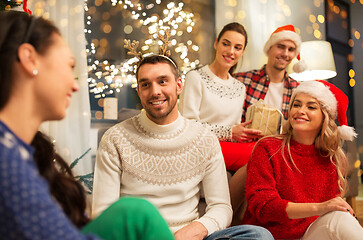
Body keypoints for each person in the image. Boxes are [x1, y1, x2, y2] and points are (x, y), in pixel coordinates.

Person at [0, 10, 173, 240]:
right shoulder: (7, 161)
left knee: (134, 213)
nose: (75, 85)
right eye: (68, 67)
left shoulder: (19, 150)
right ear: (30, 59)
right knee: (139, 213)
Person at [91, 54, 274, 240]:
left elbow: (221, 207)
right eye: (145, 84)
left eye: (163, 81)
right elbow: (103, 214)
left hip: (189, 237)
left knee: (259, 235)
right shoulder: (115, 139)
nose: (155, 91)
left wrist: (200, 227)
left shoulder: (204, 139)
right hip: (140, 237)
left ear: (179, 85)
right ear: (138, 90)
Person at [243, 80, 363, 239]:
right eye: (296, 105)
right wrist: (320, 207)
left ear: (324, 117)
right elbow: (263, 207)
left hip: (309, 234)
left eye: (311, 107)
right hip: (269, 235)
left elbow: (330, 215)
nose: (301, 110)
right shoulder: (267, 148)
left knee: (341, 218)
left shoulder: (331, 158)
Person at [229, 24, 305, 221]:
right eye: (280, 47)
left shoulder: (298, 90)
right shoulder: (242, 80)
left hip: (281, 151)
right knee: (255, 163)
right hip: (248, 148)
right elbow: (231, 118)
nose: (285, 53)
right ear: (269, 49)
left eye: (291, 49)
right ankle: (229, 221)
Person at [178, 22, 261, 172]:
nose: (231, 51)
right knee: (259, 155)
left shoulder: (240, 88)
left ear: (242, 52)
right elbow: (188, 126)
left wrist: (243, 133)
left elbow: (234, 130)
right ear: (216, 43)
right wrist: (230, 132)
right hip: (199, 147)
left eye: (237, 47)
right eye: (226, 44)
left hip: (227, 150)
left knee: (264, 150)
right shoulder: (195, 78)